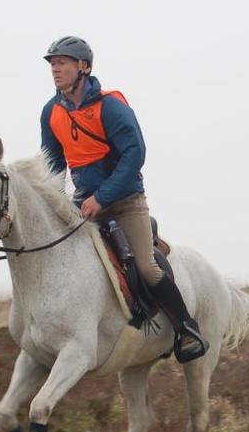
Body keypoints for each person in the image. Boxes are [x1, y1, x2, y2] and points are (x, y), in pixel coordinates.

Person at [40, 35, 208, 362]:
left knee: (146, 268)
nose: (55, 70)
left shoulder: (110, 106)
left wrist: (101, 198)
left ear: (83, 67)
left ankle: (186, 328)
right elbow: (54, 164)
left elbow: (135, 154)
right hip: (83, 203)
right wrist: (54, 200)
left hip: (126, 200)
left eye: (62, 63)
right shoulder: (51, 112)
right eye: (52, 64)